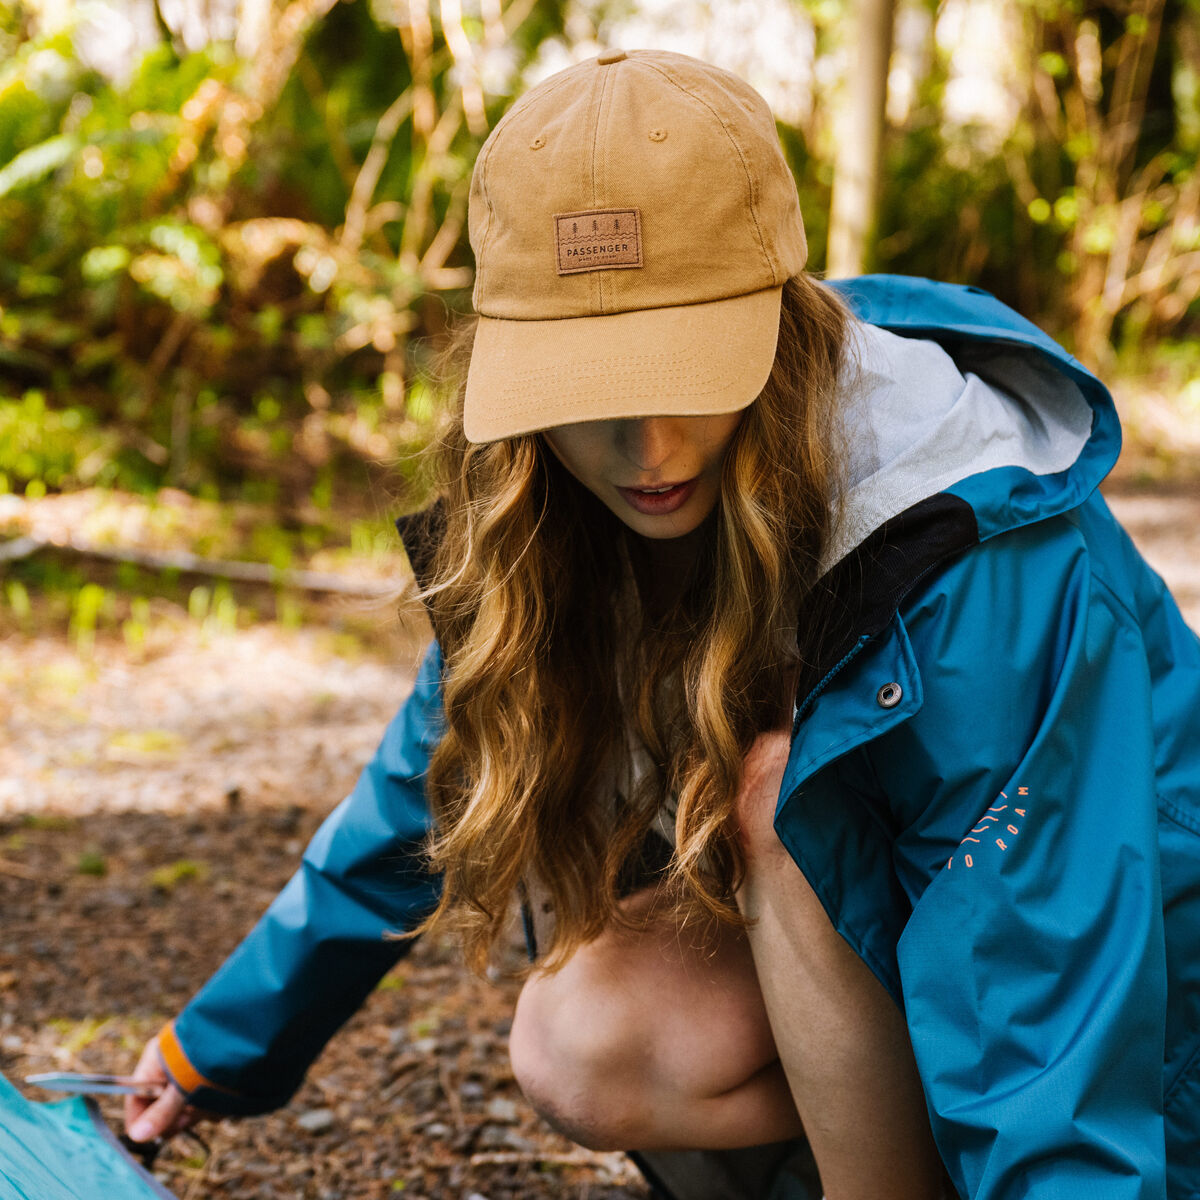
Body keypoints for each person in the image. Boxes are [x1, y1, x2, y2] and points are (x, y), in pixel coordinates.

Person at [123, 49, 1200, 1200]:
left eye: (687, 371)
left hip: (1151, 1046)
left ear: (780, 324)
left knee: (780, 790)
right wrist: (221, 1047)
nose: (650, 452)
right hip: (928, 996)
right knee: (579, 1037)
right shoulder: (550, 508)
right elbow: (429, 776)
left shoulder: (986, 559)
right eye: (590, 390)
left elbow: (1055, 980)